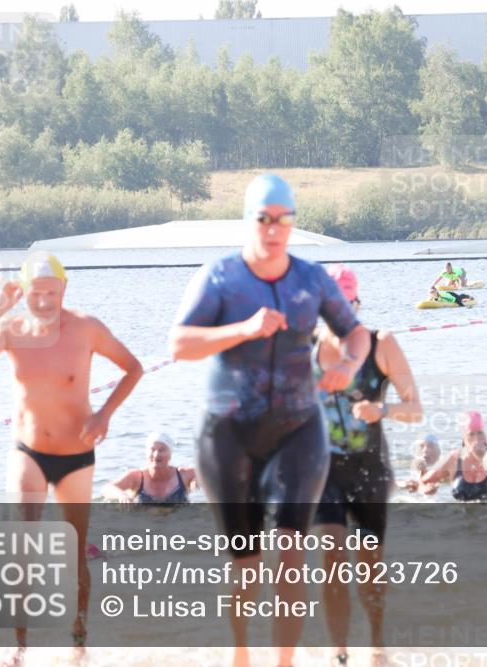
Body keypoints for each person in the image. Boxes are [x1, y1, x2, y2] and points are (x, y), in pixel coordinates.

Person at [168, 173, 371, 667]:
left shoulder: (311, 278)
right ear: (249, 221)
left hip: (298, 430)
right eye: (264, 219)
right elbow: (178, 344)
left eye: (283, 219)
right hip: (229, 433)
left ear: (293, 223)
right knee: (244, 565)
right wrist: (242, 328)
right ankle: (241, 655)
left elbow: (356, 332)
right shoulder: (220, 276)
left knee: (290, 556)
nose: (274, 228)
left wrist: (346, 365)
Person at [0, 252, 143, 666]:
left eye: (51, 292)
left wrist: (103, 414)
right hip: (28, 451)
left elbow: (134, 368)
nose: (43, 300)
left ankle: (78, 636)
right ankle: (19, 645)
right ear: (23, 291)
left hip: (77, 455)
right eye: (35, 292)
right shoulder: (12, 328)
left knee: (75, 553)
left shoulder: (87, 329)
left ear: (63, 289)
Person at [314, 264, 423, 667]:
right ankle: (338, 649)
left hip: (370, 471)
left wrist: (383, 409)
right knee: (331, 558)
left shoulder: (382, 344)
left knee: (369, 566)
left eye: (348, 304)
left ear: (357, 304)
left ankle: (376, 645)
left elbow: (416, 410)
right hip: (323, 473)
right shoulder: (308, 347)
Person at [420, 412, 487, 501]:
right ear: (464, 436)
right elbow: (423, 481)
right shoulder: (453, 459)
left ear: (484, 434)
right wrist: (426, 489)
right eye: (471, 434)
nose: (476, 438)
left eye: (480, 433)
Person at [102, 432, 199, 506]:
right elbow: (107, 488)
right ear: (146, 453)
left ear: (170, 455)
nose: (156, 454)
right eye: (152, 450)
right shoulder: (136, 477)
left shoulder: (183, 475)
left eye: (162, 450)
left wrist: (199, 480)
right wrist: (121, 495)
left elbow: (211, 474)